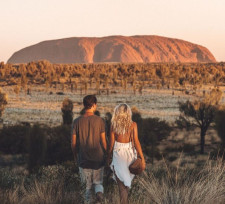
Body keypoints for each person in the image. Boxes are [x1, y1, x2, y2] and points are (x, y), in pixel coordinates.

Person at [71, 95, 107, 203]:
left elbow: (73, 143)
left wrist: (75, 156)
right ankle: (99, 195)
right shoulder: (100, 121)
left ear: (84, 105)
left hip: (83, 159)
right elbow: (104, 142)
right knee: (98, 183)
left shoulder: (76, 122)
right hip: (98, 159)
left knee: (86, 188)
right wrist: (109, 155)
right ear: (94, 105)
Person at [107, 103, 146, 204]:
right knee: (126, 184)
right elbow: (136, 141)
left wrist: (108, 157)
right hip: (130, 154)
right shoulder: (133, 125)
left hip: (118, 155)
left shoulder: (113, 125)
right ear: (128, 112)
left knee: (121, 186)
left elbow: (111, 145)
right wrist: (142, 157)